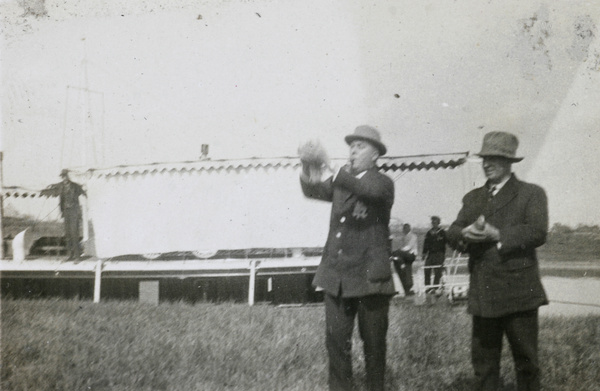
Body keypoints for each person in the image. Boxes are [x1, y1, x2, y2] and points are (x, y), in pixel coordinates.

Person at [446, 131, 548, 391]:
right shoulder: (473, 198)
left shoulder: (531, 194)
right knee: (484, 365)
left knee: (526, 363)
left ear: (510, 162)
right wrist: (463, 235)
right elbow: (454, 229)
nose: (487, 163)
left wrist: (499, 234)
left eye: (495, 159)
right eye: (484, 158)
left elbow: (537, 231)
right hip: (484, 294)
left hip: (520, 294)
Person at [299, 125, 395, 391]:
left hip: (369, 278)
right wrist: (308, 164)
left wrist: (329, 164)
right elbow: (312, 190)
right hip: (338, 277)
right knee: (336, 343)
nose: (353, 151)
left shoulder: (382, 183)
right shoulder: (344, 182)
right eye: (351, 146)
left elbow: (368, 191)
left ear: (376, 155)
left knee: (374, 345)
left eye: (360, 146)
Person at [57, 169, 86, 261]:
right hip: (66, 212)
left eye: (65, 176)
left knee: (74, 233)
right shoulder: (61, 187)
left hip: (74, 212)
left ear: (67, 176)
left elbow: (84, 193)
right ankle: (70, 255)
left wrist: (79, 213)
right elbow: (61, 201)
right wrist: (62, 212)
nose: (63, 178)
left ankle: (77, 256)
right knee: (68, 234)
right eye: (62, 176)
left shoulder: (75, 186)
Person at [390, 223, 417, 296]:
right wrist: (392, 237)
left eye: (405, 228)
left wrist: (400, 251)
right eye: (403, 228)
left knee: (396, 253)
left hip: (411, 255)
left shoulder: (413, 236)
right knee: (406, 270)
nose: (404, 230)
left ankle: (395, 257)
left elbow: (409, 247)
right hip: (405, 256)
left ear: (409, 228)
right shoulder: (404, 237)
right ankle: (407, 289)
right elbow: (398, 239)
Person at [422, 216, 447, 293]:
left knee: (438, 271)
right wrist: (424, 253)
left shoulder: (442, 232)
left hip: (439, 254)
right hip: (431, 254)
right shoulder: (429, 233)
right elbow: (426, 244)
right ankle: (428, 287)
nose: (434, 224)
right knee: (427, 268)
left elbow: (446, 241)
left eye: (435, 222)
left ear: (438, 223)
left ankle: (435, 287)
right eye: (432, 222)